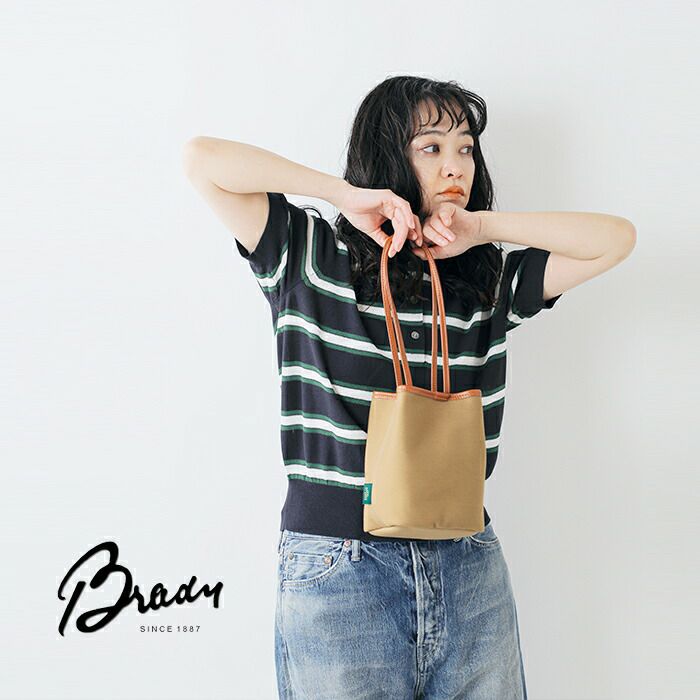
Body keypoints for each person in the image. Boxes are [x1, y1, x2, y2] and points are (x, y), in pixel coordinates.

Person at [183, 76, 635, 699]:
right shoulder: (310, 254)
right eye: (432, 147)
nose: (456, 166)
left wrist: (481, 228)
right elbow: (202, 160)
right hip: (340, 567)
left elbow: (616, 240)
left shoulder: (484, 282)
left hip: (467, 562)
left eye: (466, 149)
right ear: (388, 154)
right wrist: (344, 195)